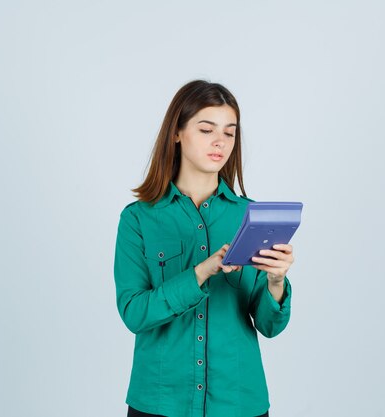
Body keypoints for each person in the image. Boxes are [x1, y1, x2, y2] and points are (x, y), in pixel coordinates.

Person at [113, 80, 295, 417]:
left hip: (237, 402)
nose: (220, 142)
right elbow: (134, 313)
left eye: (229, 132)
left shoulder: (249, 217)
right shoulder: (138, 219)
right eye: (207, 129)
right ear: (177, 133)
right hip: (159, 401)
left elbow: (270, 326)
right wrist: (200, 273)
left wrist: (276, 283)